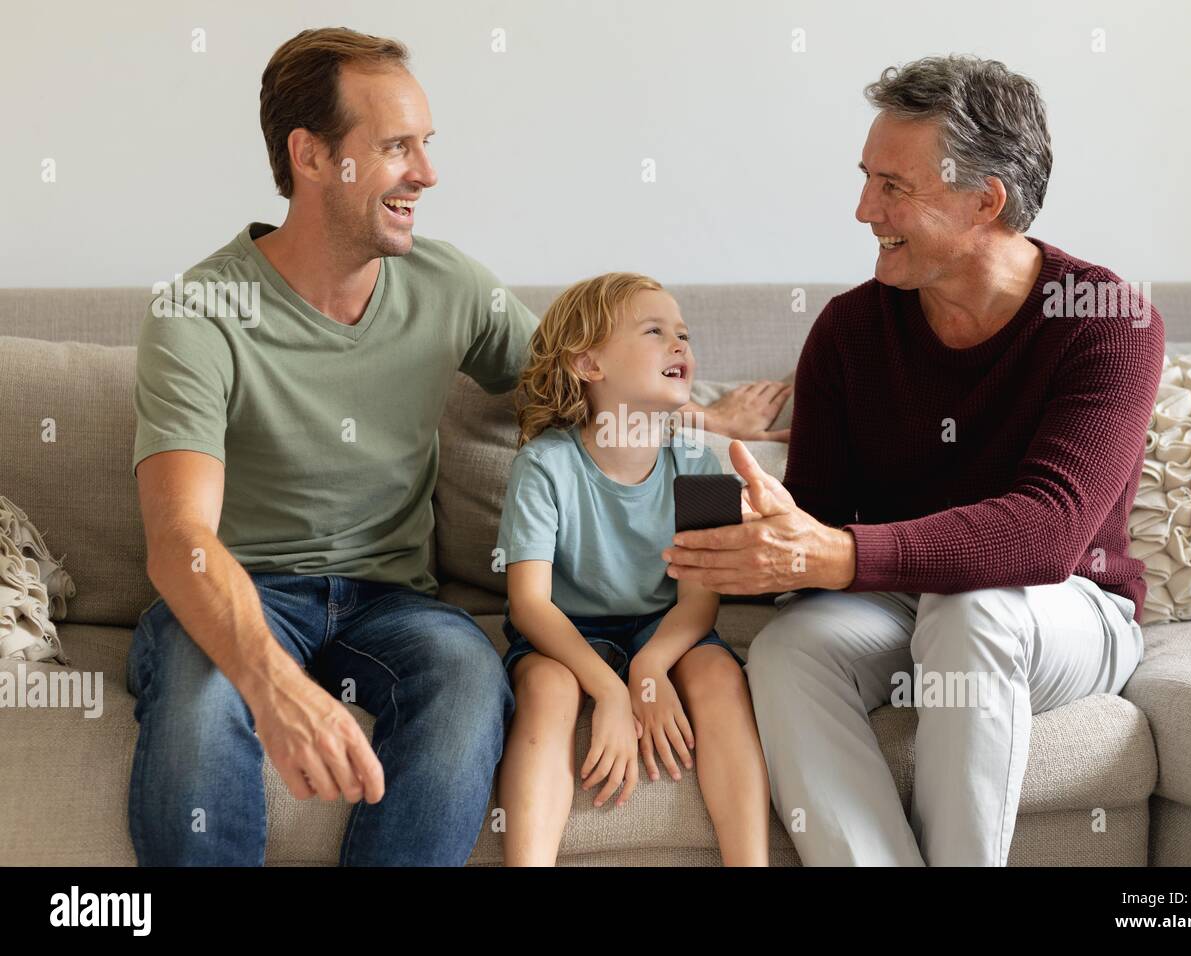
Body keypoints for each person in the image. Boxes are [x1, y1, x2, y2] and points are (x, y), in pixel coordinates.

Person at [127, 27, 785, 866]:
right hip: (246, 587)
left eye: (426, 145)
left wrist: (709, 415)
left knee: (470, 680)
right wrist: (274, 684)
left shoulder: (449, 286)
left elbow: (582, 378)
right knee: (198, 690)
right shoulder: (199, 314)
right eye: (397, 146)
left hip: (391, 601)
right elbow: (179, 541)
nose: (427, 174)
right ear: (312, 156)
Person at [663, 55, 1165, 866]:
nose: (864, 209)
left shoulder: (1105, 320)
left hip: (1066, 608)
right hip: (902, 602)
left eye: (893, 186)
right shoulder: (851, 331)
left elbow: (1048, 535)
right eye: (866, 178)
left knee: (973, 610)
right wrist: (756, 532)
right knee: (791, 650)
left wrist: (843, 552)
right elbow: (818, 518)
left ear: (984, 201)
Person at [494, 273, 770, 866]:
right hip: (564, 632)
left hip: (664, 627)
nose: (680, 346)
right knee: (546, 688)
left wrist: (647, 668)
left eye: (683, 334)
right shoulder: (544, 465)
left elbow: (700, 601)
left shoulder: (700, 461)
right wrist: (609, 691)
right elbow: (530, 605)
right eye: (655, 331)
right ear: (588, 363)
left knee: (720, 675)